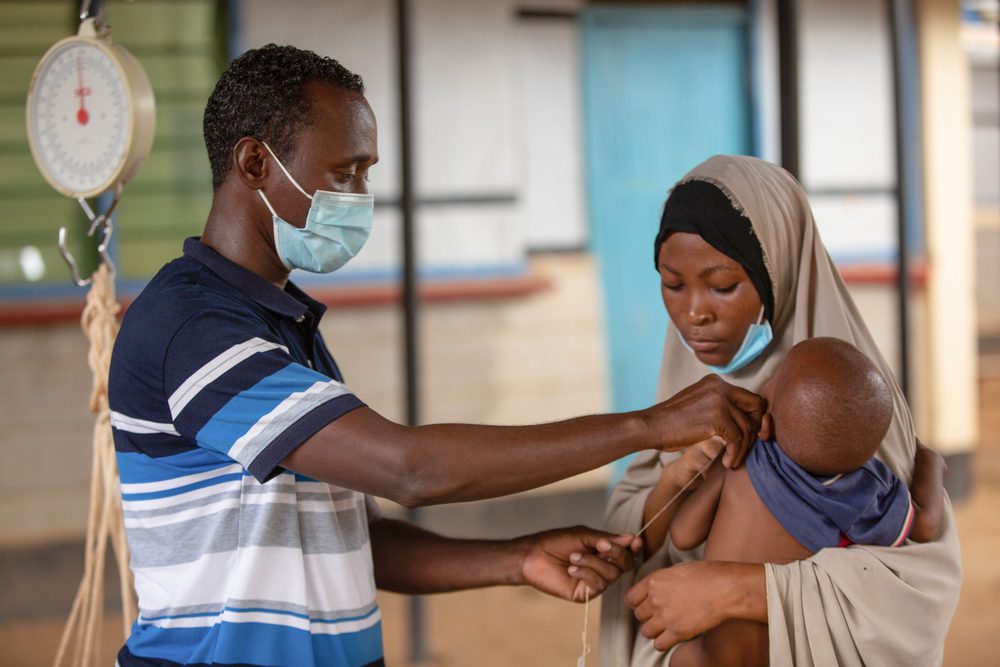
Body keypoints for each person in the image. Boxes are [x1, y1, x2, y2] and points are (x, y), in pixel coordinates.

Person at [107, 46, 766, 667]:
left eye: (365, 173)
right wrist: (648, 425)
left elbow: (354, 539)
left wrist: (517, 556)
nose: (359, 198)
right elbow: (409, 468)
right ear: (254, 163)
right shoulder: (192, 325)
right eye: (344, 172)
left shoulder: (284, 325)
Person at [599, 155, 962, 667]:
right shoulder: (678, 398)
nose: (694, 313)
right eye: (672, 284)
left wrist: (739, 589)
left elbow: (908, 597)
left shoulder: (837, 395)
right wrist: (674, 479)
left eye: (723, 286)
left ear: (779, 268)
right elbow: (650, 536)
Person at [658, 337, 947, 666]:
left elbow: (682, 534)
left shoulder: (740, 457)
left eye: (776, 375)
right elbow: (924, 524)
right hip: (777, 652)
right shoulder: (859, 494)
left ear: (768, 417)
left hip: (709, 649)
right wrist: (930, 464)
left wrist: (712, 467)